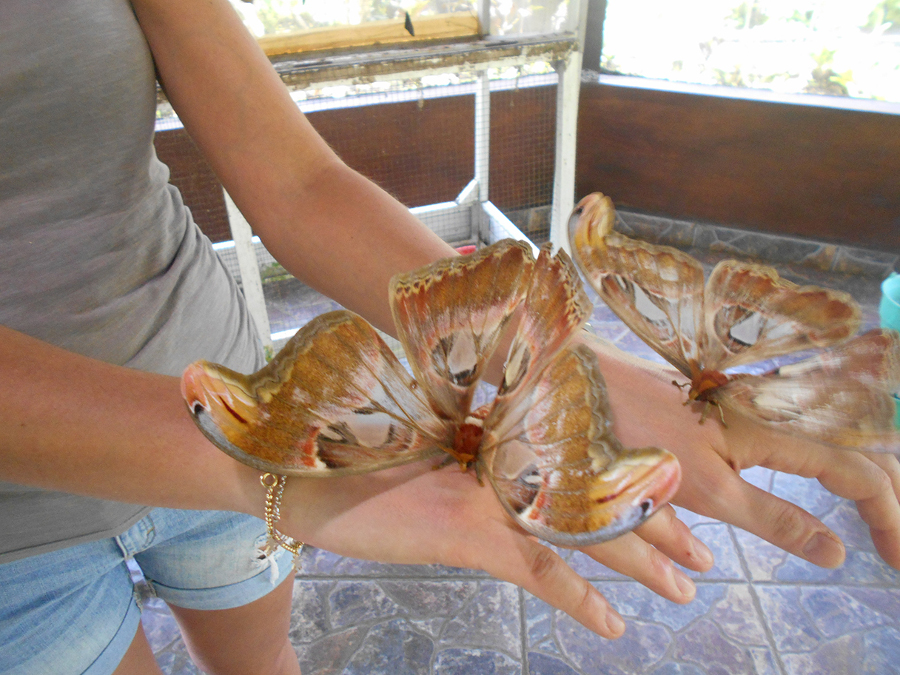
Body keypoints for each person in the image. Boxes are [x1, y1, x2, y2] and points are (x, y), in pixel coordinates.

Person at [1, 0, 898, 673]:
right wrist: (271, 468)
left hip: (232, 390)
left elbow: (300, 182)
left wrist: (567, 371)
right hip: (28, 526)